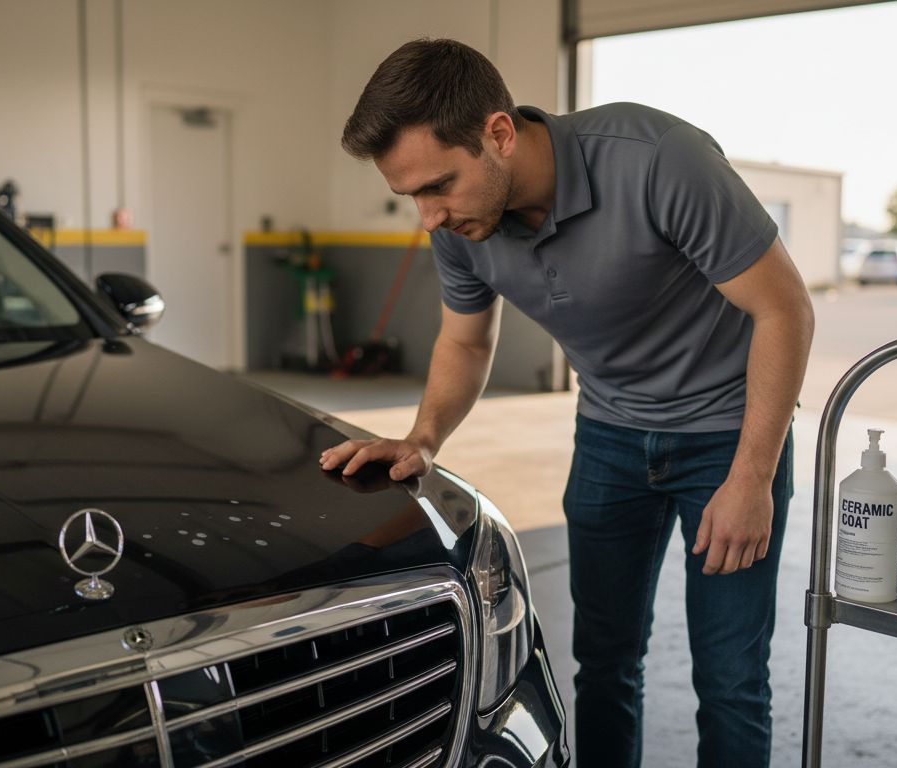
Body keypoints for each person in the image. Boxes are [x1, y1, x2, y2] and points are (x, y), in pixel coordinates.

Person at [321, 38, 814, 768]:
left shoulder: (657, 158)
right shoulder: (461, 222)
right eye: (412, 196)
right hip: (609, 438)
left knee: (730, 678)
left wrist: (750, 480)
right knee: (604, 661)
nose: (428, 216)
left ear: (498, 133)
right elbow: (465, 342)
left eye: (439, 185)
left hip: (727, 438)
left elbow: (785, 311)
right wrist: (423, 438)